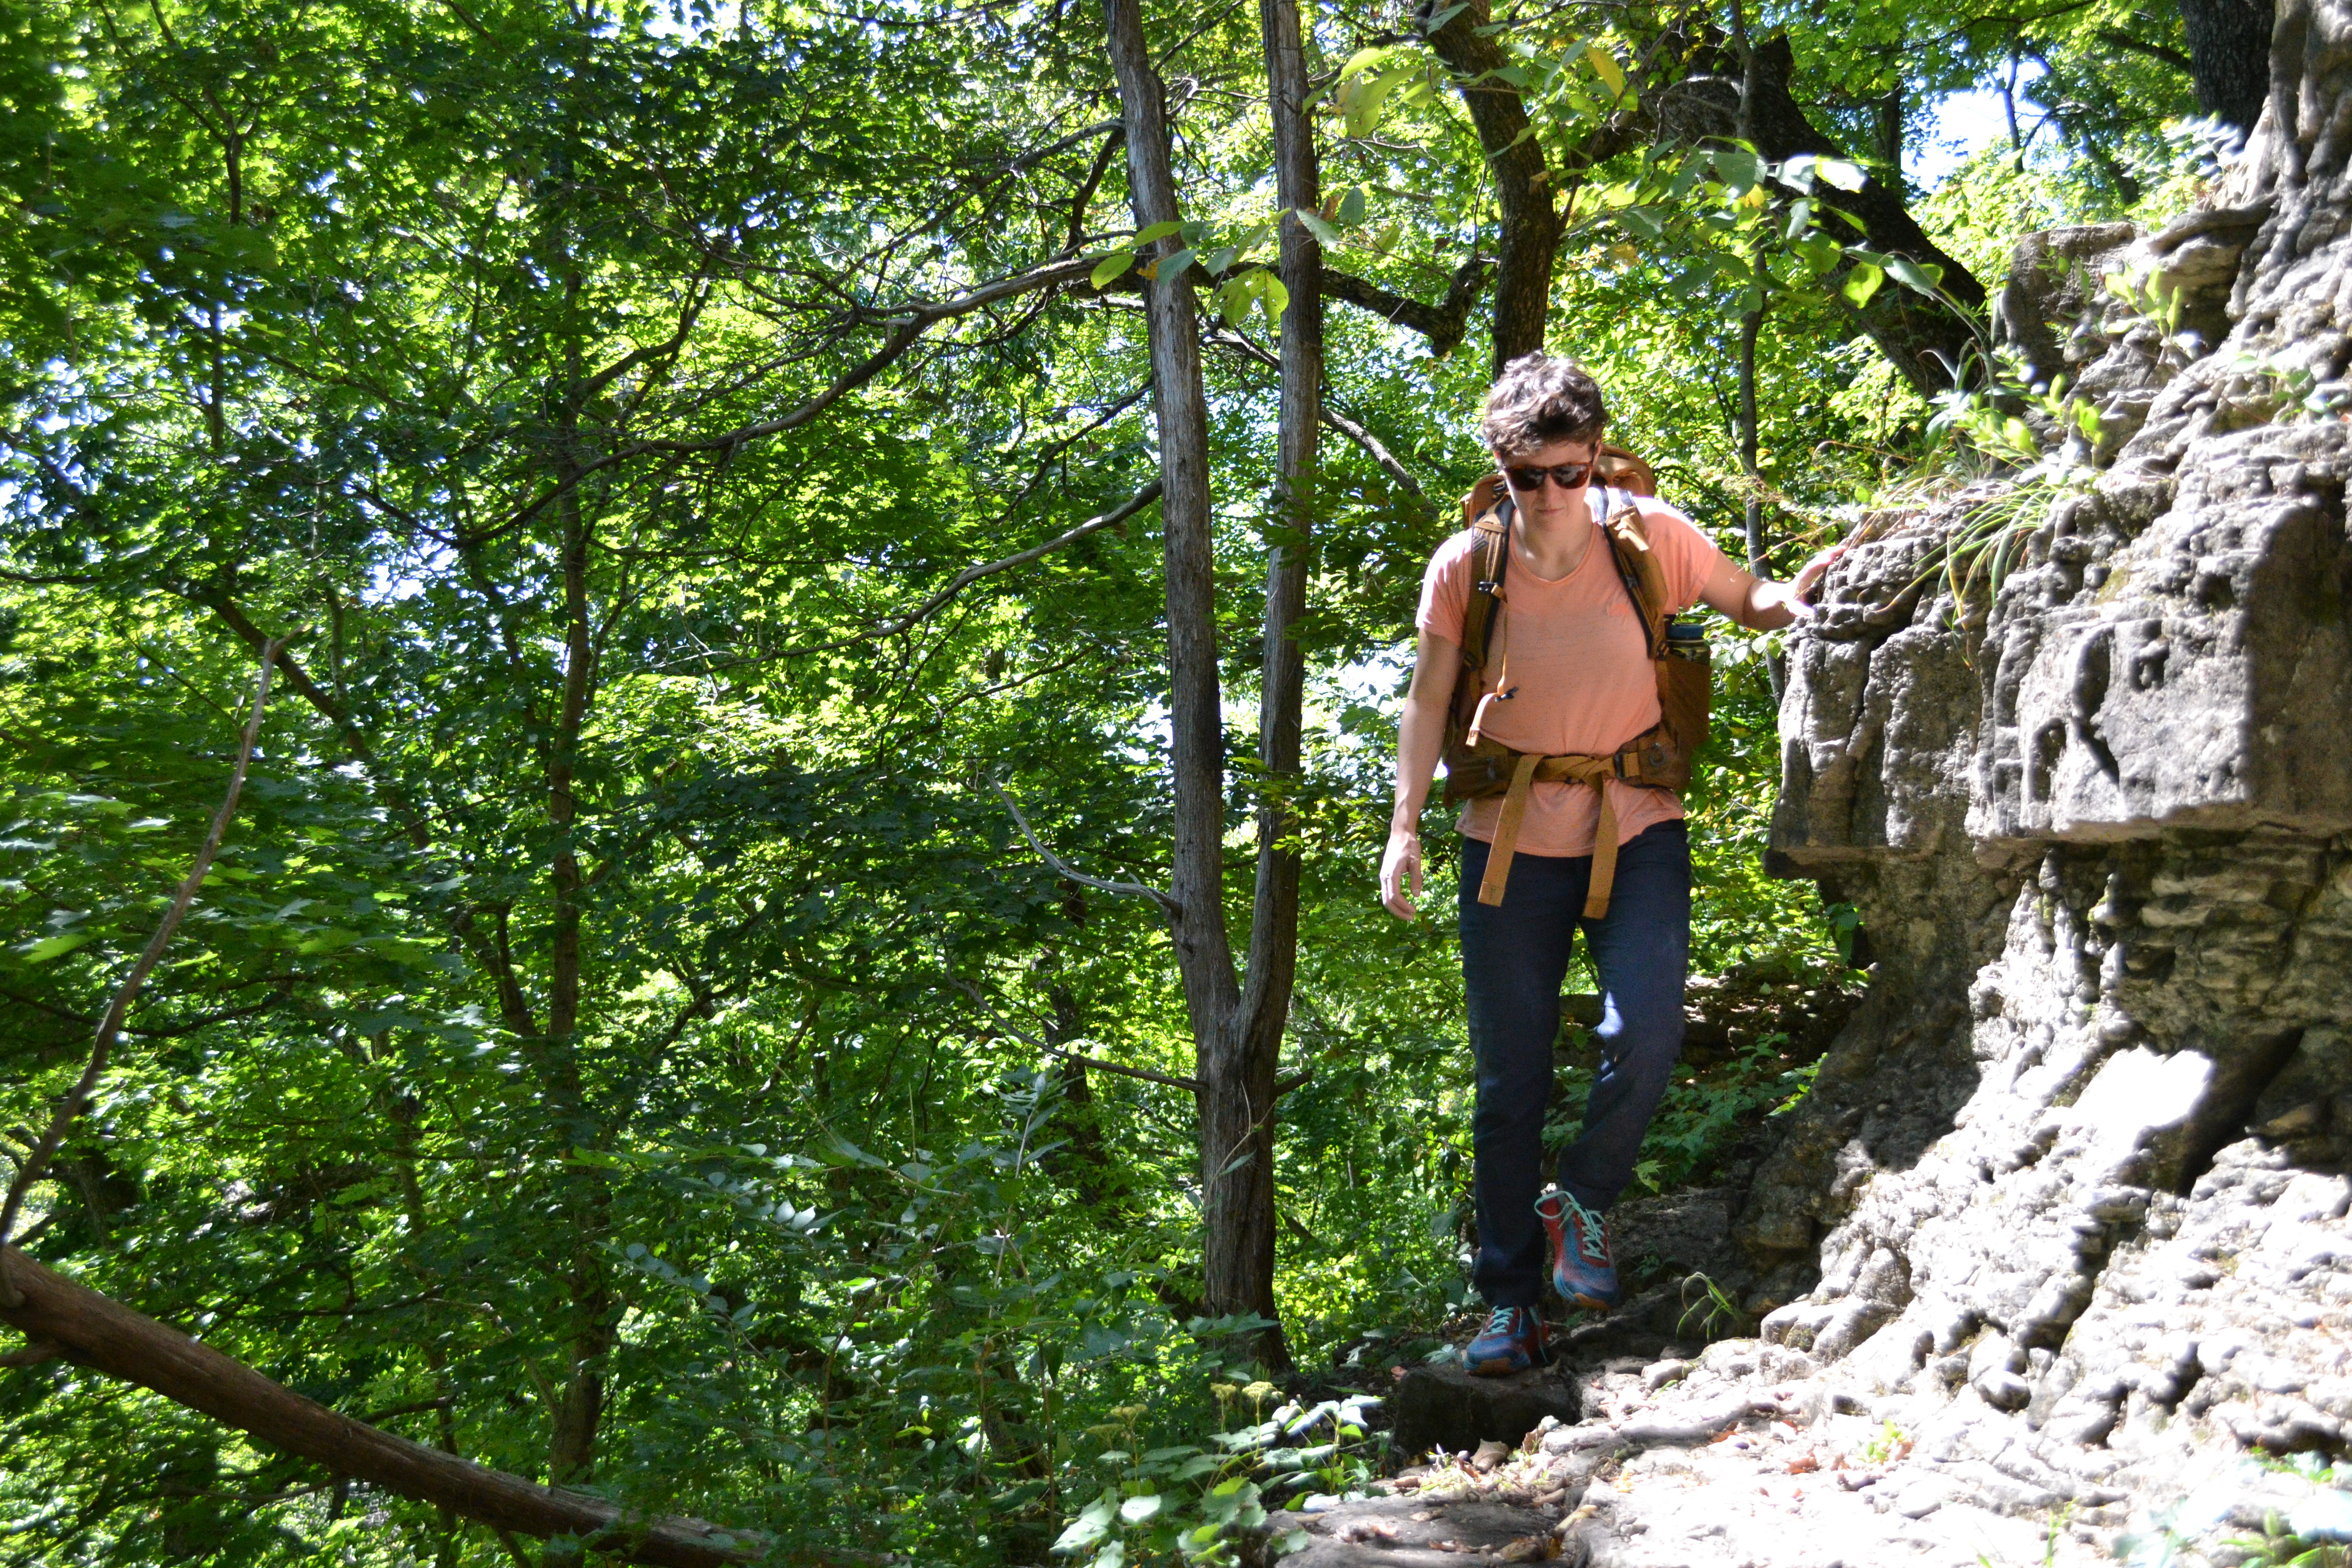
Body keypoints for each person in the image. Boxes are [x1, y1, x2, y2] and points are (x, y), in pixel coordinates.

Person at [1378, 354, 1840, 1376]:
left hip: (1637, 824)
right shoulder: (1468, 564)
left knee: (1649, 1031)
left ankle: (1580, 1197)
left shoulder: (1653, 540)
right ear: (1501, 469)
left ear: (1598, 462)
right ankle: (1507, 1304)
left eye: (1569, 474)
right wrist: (1404, 825)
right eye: (1526, 477)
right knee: (1510, 1082)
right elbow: (1425, 699)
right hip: (1504, 843)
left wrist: (1794, 596)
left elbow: (1745, 598)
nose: (1549, 498)